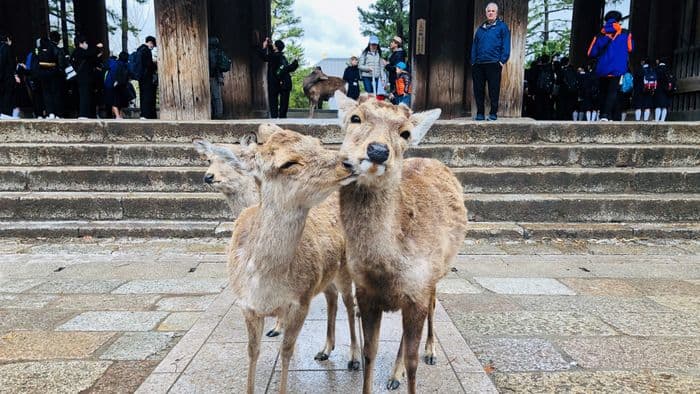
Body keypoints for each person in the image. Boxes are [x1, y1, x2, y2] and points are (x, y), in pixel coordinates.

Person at [587, 10, 633, 121]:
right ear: (619, 20)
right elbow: (630, 48)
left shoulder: (600, 34)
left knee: (602, 91)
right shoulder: (626, 33)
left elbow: (590, 52)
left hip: (602, 68)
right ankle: (607, 115)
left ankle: (602, 115)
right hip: (617, 68)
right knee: (612, 92)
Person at [471, 2, 510, 121]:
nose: (490, 13)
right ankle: (480, 113)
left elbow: (506, 45)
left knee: (494, 90)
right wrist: (473, 61)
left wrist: (502, 61)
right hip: (479, 64)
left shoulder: (502, 27)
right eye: (489, 11)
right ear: (486, 13)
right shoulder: (480, 29)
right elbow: (475, 45)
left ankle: (493, 113)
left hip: (494, 63)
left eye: (493, 11)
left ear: (496, 13)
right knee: (478, 90)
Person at [257, 37, 298, 118]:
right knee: (283, 104)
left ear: (276, 47)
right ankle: (281, 118)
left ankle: (275, 118)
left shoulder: (274, 56)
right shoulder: (282, 57)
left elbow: (264, 57)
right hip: (283, 82)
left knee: (273, 102)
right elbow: (286, 68)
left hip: (274, 82)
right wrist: (295, 63)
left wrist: (263, 47)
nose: (273, 46)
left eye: (274, 45)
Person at [208, 36, 230, 119]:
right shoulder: (218, 50)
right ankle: (218, 114)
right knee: (217, 96)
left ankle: (218, 115)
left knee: (215, 96)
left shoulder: (211, 51)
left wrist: (210, 74)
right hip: (218, 76)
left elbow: (213, 64)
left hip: (213, 76)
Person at [104, 52, 130, 119]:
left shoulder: (113, 62)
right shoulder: (126, 65)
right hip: (120, 85)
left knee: (112, 101)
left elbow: (105, 66)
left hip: (109, 84)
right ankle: (119, 116)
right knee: (118, 101)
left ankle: (115, 116)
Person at [136, 36, 157, 119]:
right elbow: (148, 65)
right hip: (146, 76)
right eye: (153, 45)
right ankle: (147, 114)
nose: (153, 47)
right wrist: (154, 65)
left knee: (143, 95)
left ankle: (143, 113)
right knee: (148, 96)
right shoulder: (146, 50)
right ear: (150, 42)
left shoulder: (139, 50)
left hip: (141, 76)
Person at [0, 33, 18, 118]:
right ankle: (5, 113)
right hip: (7, 76)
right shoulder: (7, 48)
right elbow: (10, 63)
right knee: (8, 95)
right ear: (7, 39)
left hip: (2, 76)